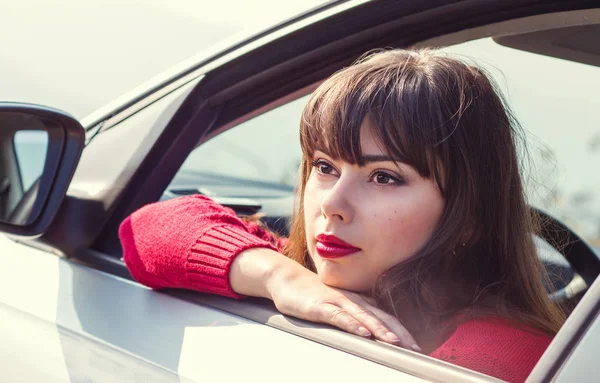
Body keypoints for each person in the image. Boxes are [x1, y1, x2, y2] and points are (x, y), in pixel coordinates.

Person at [119, 49, 565, 382]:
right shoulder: (311, 278)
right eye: (325, 166)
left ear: (469, 216)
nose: (333, 202)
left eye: (384, 177)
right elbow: (146, 231)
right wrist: (281, 280)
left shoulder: (500, 355)